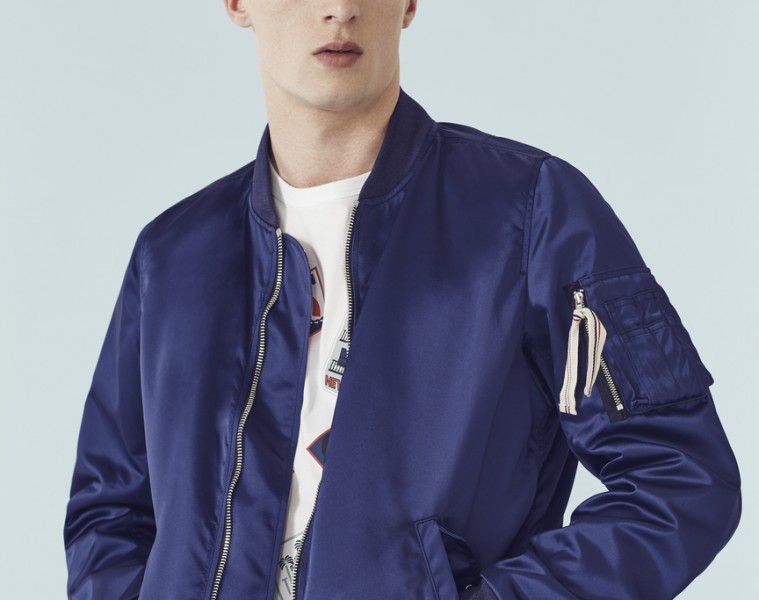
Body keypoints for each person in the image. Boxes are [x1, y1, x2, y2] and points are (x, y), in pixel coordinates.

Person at [63, 1, 741, 599]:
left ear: (409, 2)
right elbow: (108, 509)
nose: (340, 7)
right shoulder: (173, 257)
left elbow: (680, 480)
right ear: (238, 2)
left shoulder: (528, 212)